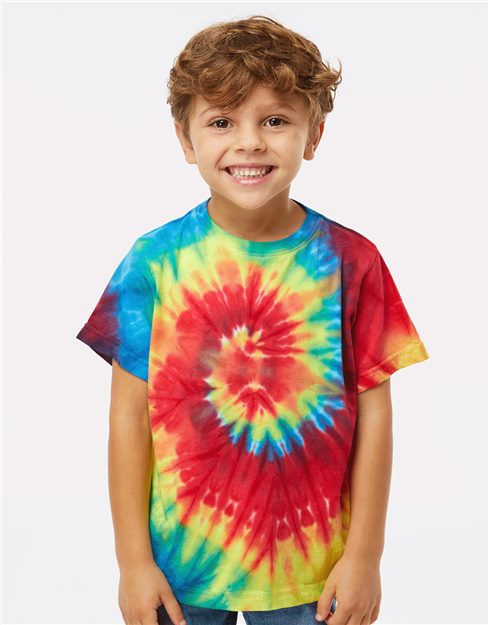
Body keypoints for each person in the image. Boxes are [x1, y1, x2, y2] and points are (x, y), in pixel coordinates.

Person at [75, 14, 430, 625]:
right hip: (180, 568)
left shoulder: (352, 262)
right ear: (186, 140)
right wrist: (132, 563)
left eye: (275, 120)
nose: (249, 143)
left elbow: (375, 413)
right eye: (221, 122)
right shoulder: (154, 262)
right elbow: (128, 416)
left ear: (313, 134)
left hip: (312, 571)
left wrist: (365, 557)